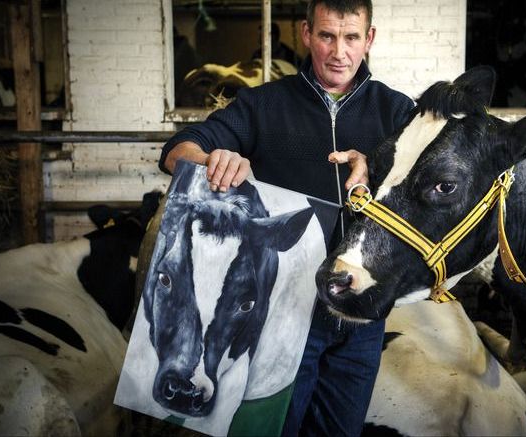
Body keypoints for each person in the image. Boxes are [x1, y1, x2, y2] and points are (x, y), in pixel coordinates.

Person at [159, 0, 414, 435]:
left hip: (364, 312)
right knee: (280, 427)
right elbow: (177, 150)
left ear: (368, 39)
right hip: (285, 311)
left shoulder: (397, 111)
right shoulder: (262, 105)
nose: (339, 52)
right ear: (306, 34)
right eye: (327, 36)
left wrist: (376, 162)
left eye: (352, 37)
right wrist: (213, 160)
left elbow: (429, 180)